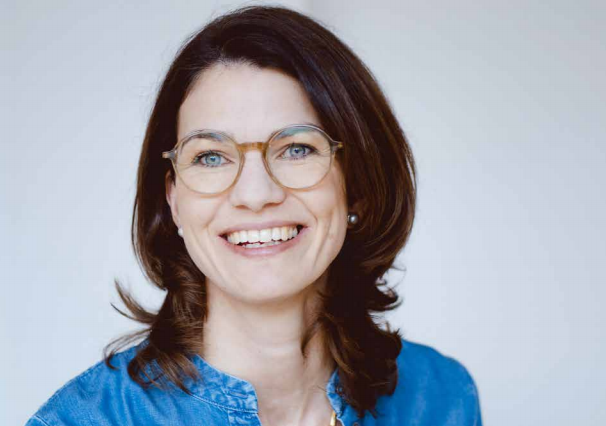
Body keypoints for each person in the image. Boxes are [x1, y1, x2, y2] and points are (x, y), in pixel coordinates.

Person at [26, 5, 482, 426]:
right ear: (173, 199)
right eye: (210, 157)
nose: (255, 194)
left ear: (358, 184)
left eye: (296, 149)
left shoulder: (440, 399)